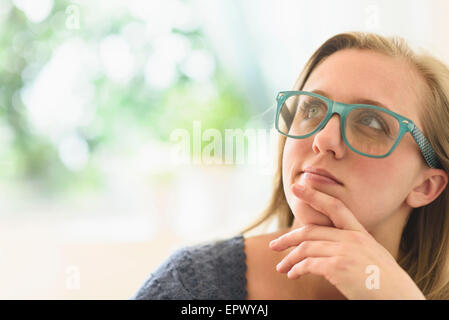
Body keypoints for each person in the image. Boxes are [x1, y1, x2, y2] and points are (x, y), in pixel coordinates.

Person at [131, 31, 449, 300]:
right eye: (311, 107)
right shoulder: (190, 287)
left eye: (371, 122)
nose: (324, 139)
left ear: (425, 186)